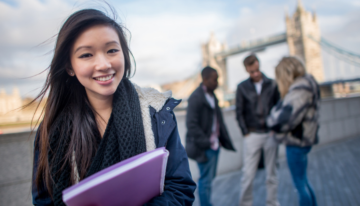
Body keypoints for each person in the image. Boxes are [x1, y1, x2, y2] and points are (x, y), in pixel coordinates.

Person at [31, 8, 196, 206]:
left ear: (124, 54)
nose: (103, 64)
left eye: (112, 50)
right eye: (86, 55)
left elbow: (180, 187)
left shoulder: (157, 111)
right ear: (69, 67)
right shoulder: (52, 130)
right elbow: (44, 200)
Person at [267, 56, 319, 206]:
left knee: (300, 186)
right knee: (304, 182)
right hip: (303, 140)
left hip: (297, 142)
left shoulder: (299, 88)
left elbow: (284, 118)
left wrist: (271, 120)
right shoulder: (308, 82)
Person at [185, 66, 236, 206]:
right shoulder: (195, 98)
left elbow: (218, 121)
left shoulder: (213, 96)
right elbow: (191, 125)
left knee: (209, 179)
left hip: (215, 145)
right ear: (205, 79)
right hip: (205, 147)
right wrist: (207, 143)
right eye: (215, 79)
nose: (217, 82)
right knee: (205, 181)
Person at [236, 54, 280, 206]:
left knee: (272, 174)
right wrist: (246, 133)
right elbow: (239, 112)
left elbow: (278, 107)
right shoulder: (242, 87)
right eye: (251, 72)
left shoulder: (272, 84)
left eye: (256, 70)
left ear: (259, 66)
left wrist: (275, 128)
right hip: (252, 135)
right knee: (247, 174)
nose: (255, 74)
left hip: (270, 134)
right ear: (247, 70)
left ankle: (272, 203)